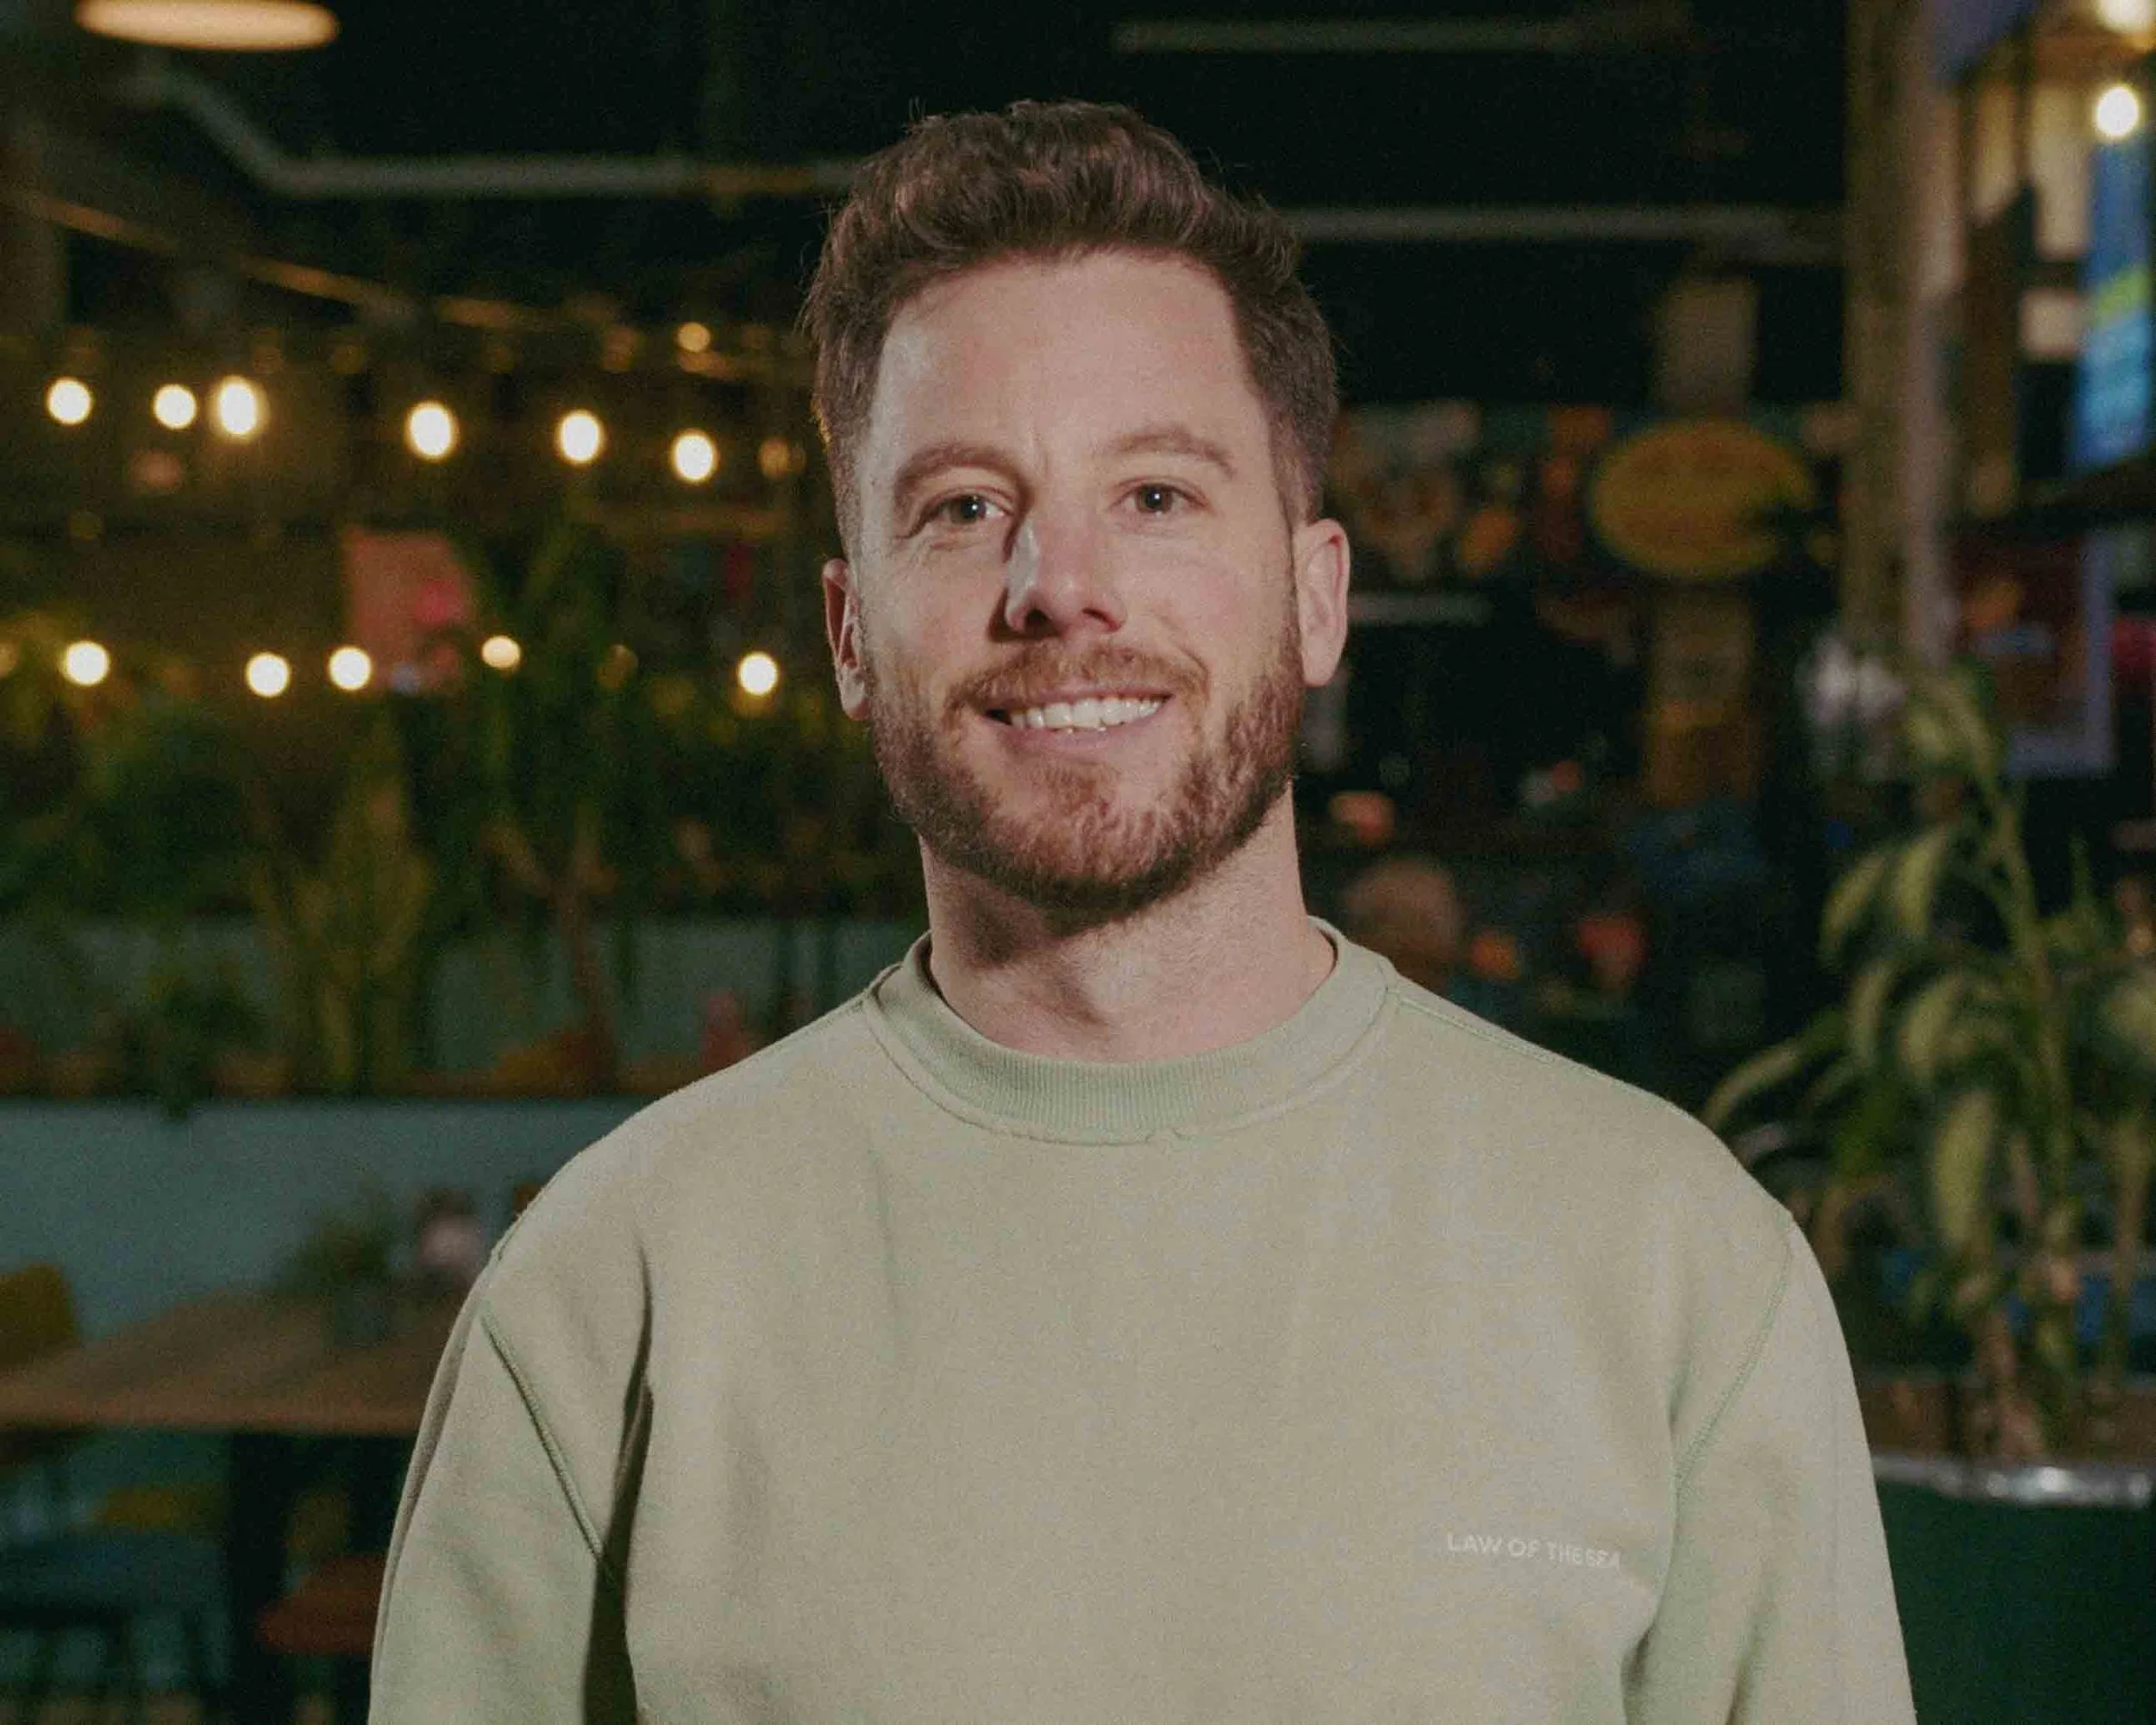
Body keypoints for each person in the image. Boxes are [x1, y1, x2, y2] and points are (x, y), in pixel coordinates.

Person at [369, 101, 1915, 1723]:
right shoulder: (613, 1290)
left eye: (1158, 497)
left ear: (1318, 595)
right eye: (962, 507)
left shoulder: (1673, 1266)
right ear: (847, 632)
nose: (1058, 583)